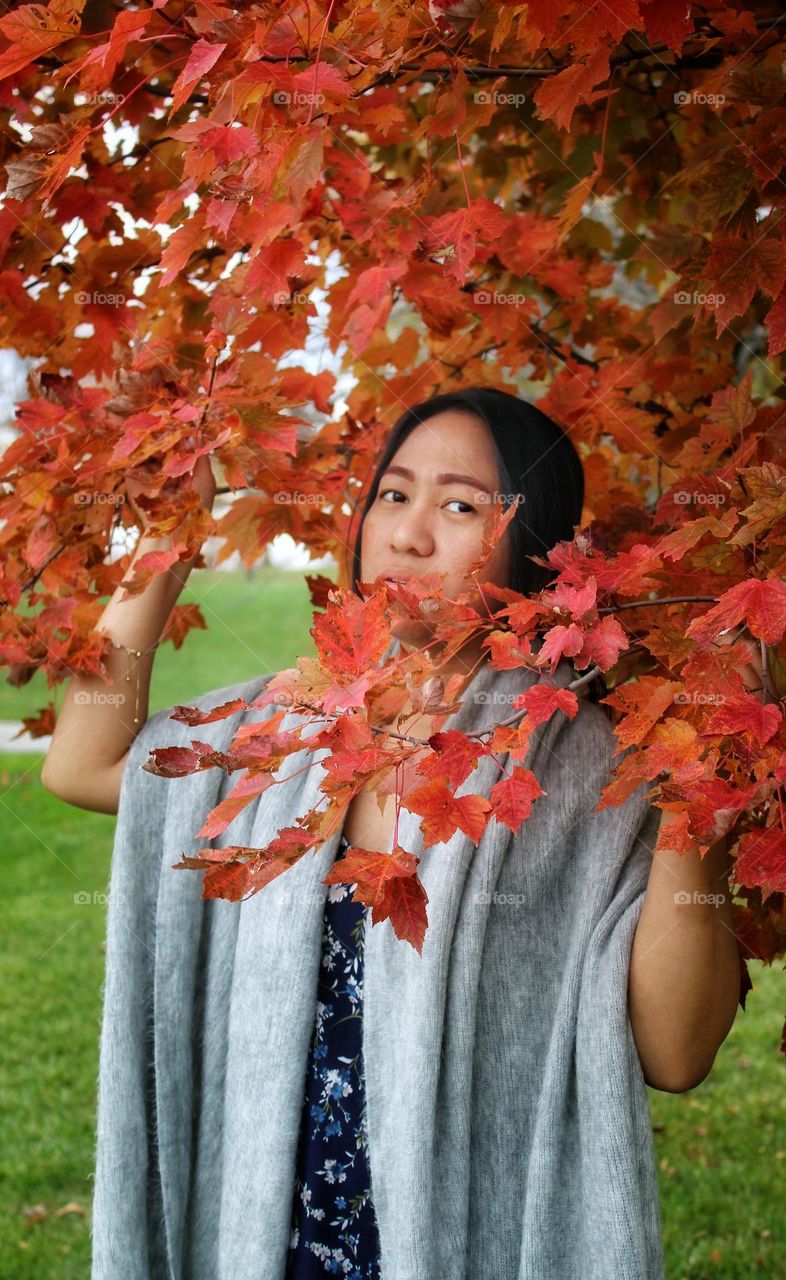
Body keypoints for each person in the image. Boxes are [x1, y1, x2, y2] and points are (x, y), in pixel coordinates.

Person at [42, 386, 740, 1280]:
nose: (408, 535)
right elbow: (81, 763)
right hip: (262, 1229)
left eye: (460, 506)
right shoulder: (287, 725)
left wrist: (708, 780)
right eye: (393, 494)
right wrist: (165, 547)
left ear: (537, 549)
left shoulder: (582, 769)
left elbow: (676, 1054)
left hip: (456, 1238)